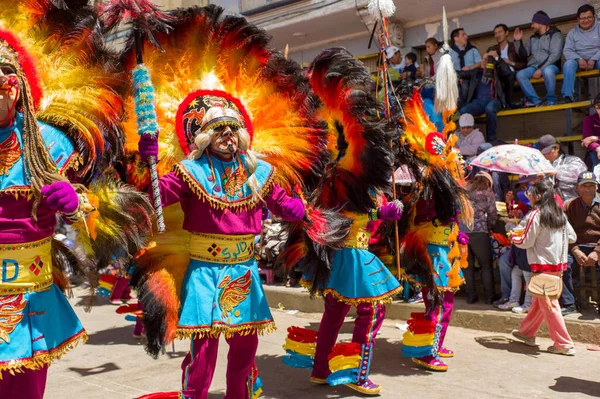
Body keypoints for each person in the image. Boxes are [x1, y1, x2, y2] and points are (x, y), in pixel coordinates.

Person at [510, 180, 577, 356]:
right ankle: (527, 333)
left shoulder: (536, 214)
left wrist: (513, 237)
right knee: (539, 302)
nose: (528, 196)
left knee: (548, 304)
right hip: (557, 266)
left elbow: (526, 242)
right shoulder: (560, 215)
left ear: (538, 196)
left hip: (541, 266)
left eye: (530, 193)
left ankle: (563, 343)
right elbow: (572, 237)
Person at [562, 171, 600, 316]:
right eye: (584, 185)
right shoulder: (570, 206)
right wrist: (575, 250)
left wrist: (597, 252)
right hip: (577, 245)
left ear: (597, 187)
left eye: (591, 185)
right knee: (563, 264)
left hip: (597, 245)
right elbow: (564, 231)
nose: (588, 189)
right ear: (578, 188)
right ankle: (569, 303)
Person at [514, 11, 564, 107]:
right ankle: (536, 101)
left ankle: (551, 100)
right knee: (520, 75)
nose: (531, 26)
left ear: (541, 23)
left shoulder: (556, 35)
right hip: (534, 67)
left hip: (552, 66)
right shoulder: (532, 38)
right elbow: (524, 54)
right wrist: (518, 41)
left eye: (533, 23)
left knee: (547, 71)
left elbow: (555, 55)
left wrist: (540, 69)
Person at [461, 172, 498, 304]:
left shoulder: (463, 190)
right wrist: (490, 226)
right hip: (479, 232)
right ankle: (489, 296)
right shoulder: (487, 192)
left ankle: (471, 296)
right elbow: (492, 213)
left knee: (467, 265)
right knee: (486, 265)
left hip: (462, 233)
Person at [482, 24, 527, 108]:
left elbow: (524, 64)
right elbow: (487, 65)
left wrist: (511, 62)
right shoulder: (492, 49)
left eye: (500, 32)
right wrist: (486, 56)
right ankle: (505, 103)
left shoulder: (514, 46)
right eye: (495, 33)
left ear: (506, 33)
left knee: (509, 74)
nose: (497, 35)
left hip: (512, 73)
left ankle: (506, 103)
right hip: (498, 74)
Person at [562, 4, 600, 103]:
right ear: (578, 20)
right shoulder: (572, 33)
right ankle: (568, 96)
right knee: (568, 64)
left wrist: (594, 58)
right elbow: (567, 50)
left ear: (594, 17)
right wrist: (578, 59)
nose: (586, 20)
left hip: (597, 59)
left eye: (589, 17)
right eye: (583, 18)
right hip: (579, 61)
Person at [536, 134, 588, 202]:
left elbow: (580, 172)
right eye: (543, 153)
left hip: (571, 203)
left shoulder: (572, 160)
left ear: (557, 148)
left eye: (548, 152)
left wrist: (555, 171)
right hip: (550, 205)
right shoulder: (540, 166)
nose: (546, 155)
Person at [458, 75, 503, 141]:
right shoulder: (477, 72)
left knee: (490, 109)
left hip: (494, 100)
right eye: (484, 63)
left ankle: (492, 138)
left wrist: (494, 67)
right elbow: (464, 73)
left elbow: (507, 73)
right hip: (479, 102)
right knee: (463, 110)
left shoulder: (497, 70)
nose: (485, 64)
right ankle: (471, 137)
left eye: (487, 63)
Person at [449, 28, 483, 107]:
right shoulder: (449, 52)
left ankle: (466, 108)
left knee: (465, 86)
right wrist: (458, 77)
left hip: (471, 77)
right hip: (455, 79)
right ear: (456, 38)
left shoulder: (472, 49)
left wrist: (470, 67)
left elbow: (479, 63)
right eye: (463, 35)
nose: (466, 36)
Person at [582, 94, 600, 169]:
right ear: (595, 108)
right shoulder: (589, 120)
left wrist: (595, 138)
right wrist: (598, 148)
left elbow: (590, 139)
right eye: (598, 106)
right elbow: (587, 141)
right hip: (596, 150)